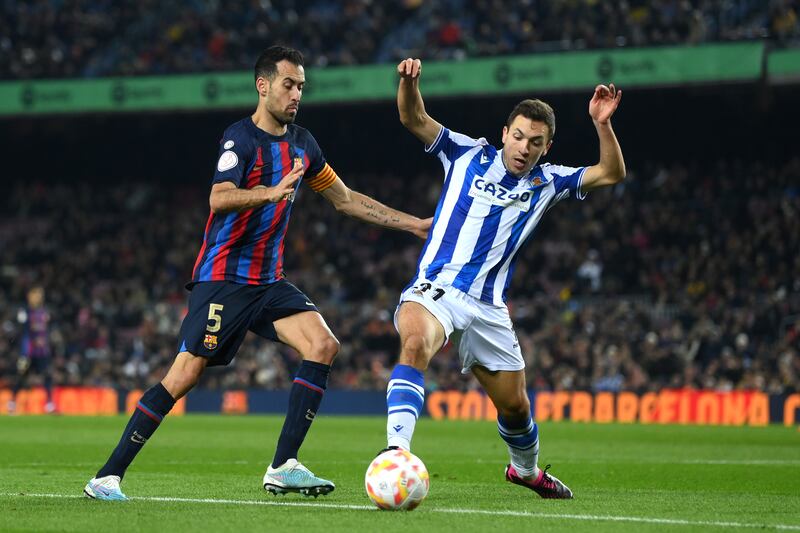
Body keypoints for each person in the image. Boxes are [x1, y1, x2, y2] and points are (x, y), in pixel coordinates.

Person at [84, 46, 431, 501]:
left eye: (301, 87)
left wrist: (413, 224)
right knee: (184, 375)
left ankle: (283, 465)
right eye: (288, 84)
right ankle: (107, 477)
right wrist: (268, 193)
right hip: (225, 279)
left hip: (268, 282)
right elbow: (219, 197)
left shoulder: (303, 145)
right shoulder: (239, 140)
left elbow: (344, 199)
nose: (296, 95)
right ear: (262, 86)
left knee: (323, 344)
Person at [383, 58, 626, 499]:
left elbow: (611, 173)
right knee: (415, 342)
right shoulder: (464, 153)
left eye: (535, 142)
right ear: (504, 134)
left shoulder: (549, 182)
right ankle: (396, 452)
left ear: (546, 147)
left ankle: (526, 471)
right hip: (438, 287)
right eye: (518, 136)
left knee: (515, 407)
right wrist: (408, 83)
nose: (524, 148)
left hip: (489, 306)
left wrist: (601, 124)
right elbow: (411, 116)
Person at [9, 286, 55, 414]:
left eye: (41, 295)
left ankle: (49, 405)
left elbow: (45, 330)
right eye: (37, 294)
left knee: (47, 375)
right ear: (30, 296)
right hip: (27, 351)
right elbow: (21, 329)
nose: (39, 297)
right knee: (21, 376)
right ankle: (12, 403)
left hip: (42, 351)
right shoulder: (24, 311)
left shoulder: (44, 312)